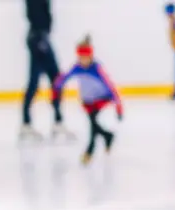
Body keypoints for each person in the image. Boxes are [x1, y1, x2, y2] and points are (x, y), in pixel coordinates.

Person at [52, 36, 124, 166]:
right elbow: (64, 78)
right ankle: (108, 136)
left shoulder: (97, 69)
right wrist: (56, 88)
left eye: (85, 58)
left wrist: (118, 106)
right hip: (87, 101)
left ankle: (89, 153)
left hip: (100, 99)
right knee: (94, 125)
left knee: (92, 126)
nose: (83, 61)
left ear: (91, 56)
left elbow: (110, 86)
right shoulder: (77, 67)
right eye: (80, 58)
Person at [20, 0, 74, 141]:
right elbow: (35, 14)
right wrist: (40, 39)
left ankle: (56, 121)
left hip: (41, 36)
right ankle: (29, 123)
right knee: (38, 82)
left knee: (54, 80)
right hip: (38, 38)